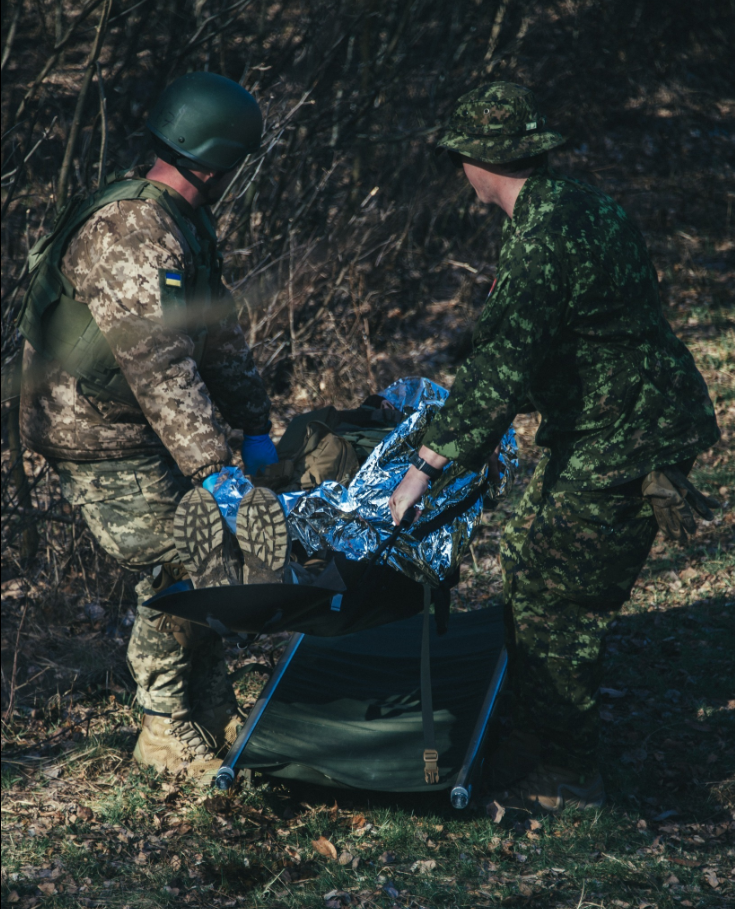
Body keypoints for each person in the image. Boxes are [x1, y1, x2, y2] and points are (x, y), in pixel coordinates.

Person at [389, 83, 720, 812]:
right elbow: (563, 333)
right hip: (608, 419)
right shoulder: (572, 204)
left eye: (459, 159)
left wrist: (425, 466)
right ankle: (535, 728)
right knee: (523, 556)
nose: (459, 173)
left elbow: (507, 357)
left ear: (480, 159)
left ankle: (570, 774)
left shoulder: (543, 233)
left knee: (557, 597)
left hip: (627, 432)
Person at [18, 72, 289, 779]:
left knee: (208, 555)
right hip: (94, 432)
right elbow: (159, 363)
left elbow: (214, 331)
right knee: (179, 558)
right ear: (216, 159)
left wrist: (253, 424)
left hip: (139, 426)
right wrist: (213, 469)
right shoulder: (132, 229)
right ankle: (163, 726)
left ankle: (206, 702)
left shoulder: (181, 223)